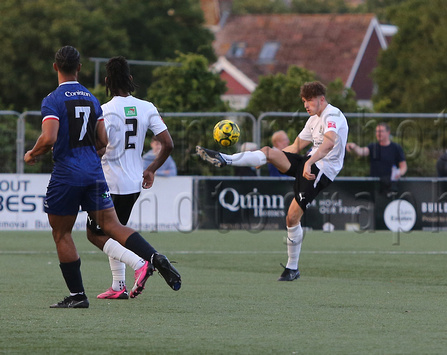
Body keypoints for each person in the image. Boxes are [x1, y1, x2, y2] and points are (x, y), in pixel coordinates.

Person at [23, 46, 181, 308]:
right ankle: (151, 258)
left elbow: (49, 137)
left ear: (55, 67)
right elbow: (104, 141)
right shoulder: (91, 99)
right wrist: (89, 156)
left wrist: (32, 153)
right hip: (97, 174)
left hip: (67, 174)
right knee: (113, 227)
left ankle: (78, 295)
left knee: (63, 234)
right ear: (80, 68)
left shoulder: (53, 99)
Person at [196, 81, 349, 281]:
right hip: (309, 165)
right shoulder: (312, 120)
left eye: (309, 101)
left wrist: (309, 162)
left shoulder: (333, 115)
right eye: (304, 101)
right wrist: (266, 158)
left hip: (322, 170)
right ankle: (226, 158)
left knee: (292, 217)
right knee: (269, 150)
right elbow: (294, 147)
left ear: (321, 99)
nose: (306, 105)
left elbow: (329, 143)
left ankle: (292, 268)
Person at [87, 56, 176, 299]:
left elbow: (98, 148)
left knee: (95, 234)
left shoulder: (102, 110)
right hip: (133, 183)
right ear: (130, 80)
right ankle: (118, 286)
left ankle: (141, 264)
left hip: (108, 182)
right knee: (114, 232)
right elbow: (168, 144)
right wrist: (151, 169)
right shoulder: (147, 107)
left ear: (106, 81)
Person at [346, 123, 407, 190]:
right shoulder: (373, 147)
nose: (378, 133)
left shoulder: (396, 148)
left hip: (390, 185)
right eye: (377, 131)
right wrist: (354, 147)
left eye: (381, 131)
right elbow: (361, 152)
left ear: (388, 132)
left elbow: (403, 167)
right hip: (375, 184)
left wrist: (399, 173)